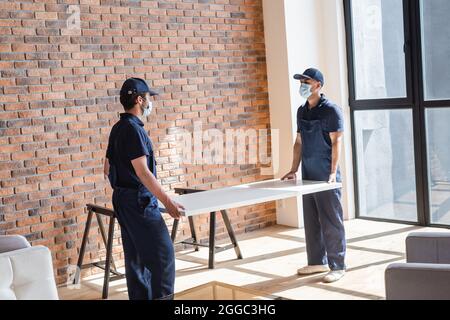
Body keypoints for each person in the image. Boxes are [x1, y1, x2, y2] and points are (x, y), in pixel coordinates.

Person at [104, 78, 184, 300]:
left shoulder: (118, 128)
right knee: (163, 257)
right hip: (138, 202)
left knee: (137, 260)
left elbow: (106, 167)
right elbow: (143, 172)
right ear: (140, 99)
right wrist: (168, 201)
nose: (151, 102)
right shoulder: (134, 130)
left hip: (123, 200)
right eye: (149, 97)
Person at [282, 68, 347, 283]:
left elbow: (337, 143)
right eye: (301, 81)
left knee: (331, 220)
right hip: (308, 174)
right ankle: (317, 262)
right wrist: (293, 169)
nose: (302, 85)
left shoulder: (331, 110)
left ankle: (338, 265)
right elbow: (299, 142)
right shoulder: (302, 111)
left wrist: (331, 174)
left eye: (306, 81)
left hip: (327, 174)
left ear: (318, 84)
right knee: (311, 219)